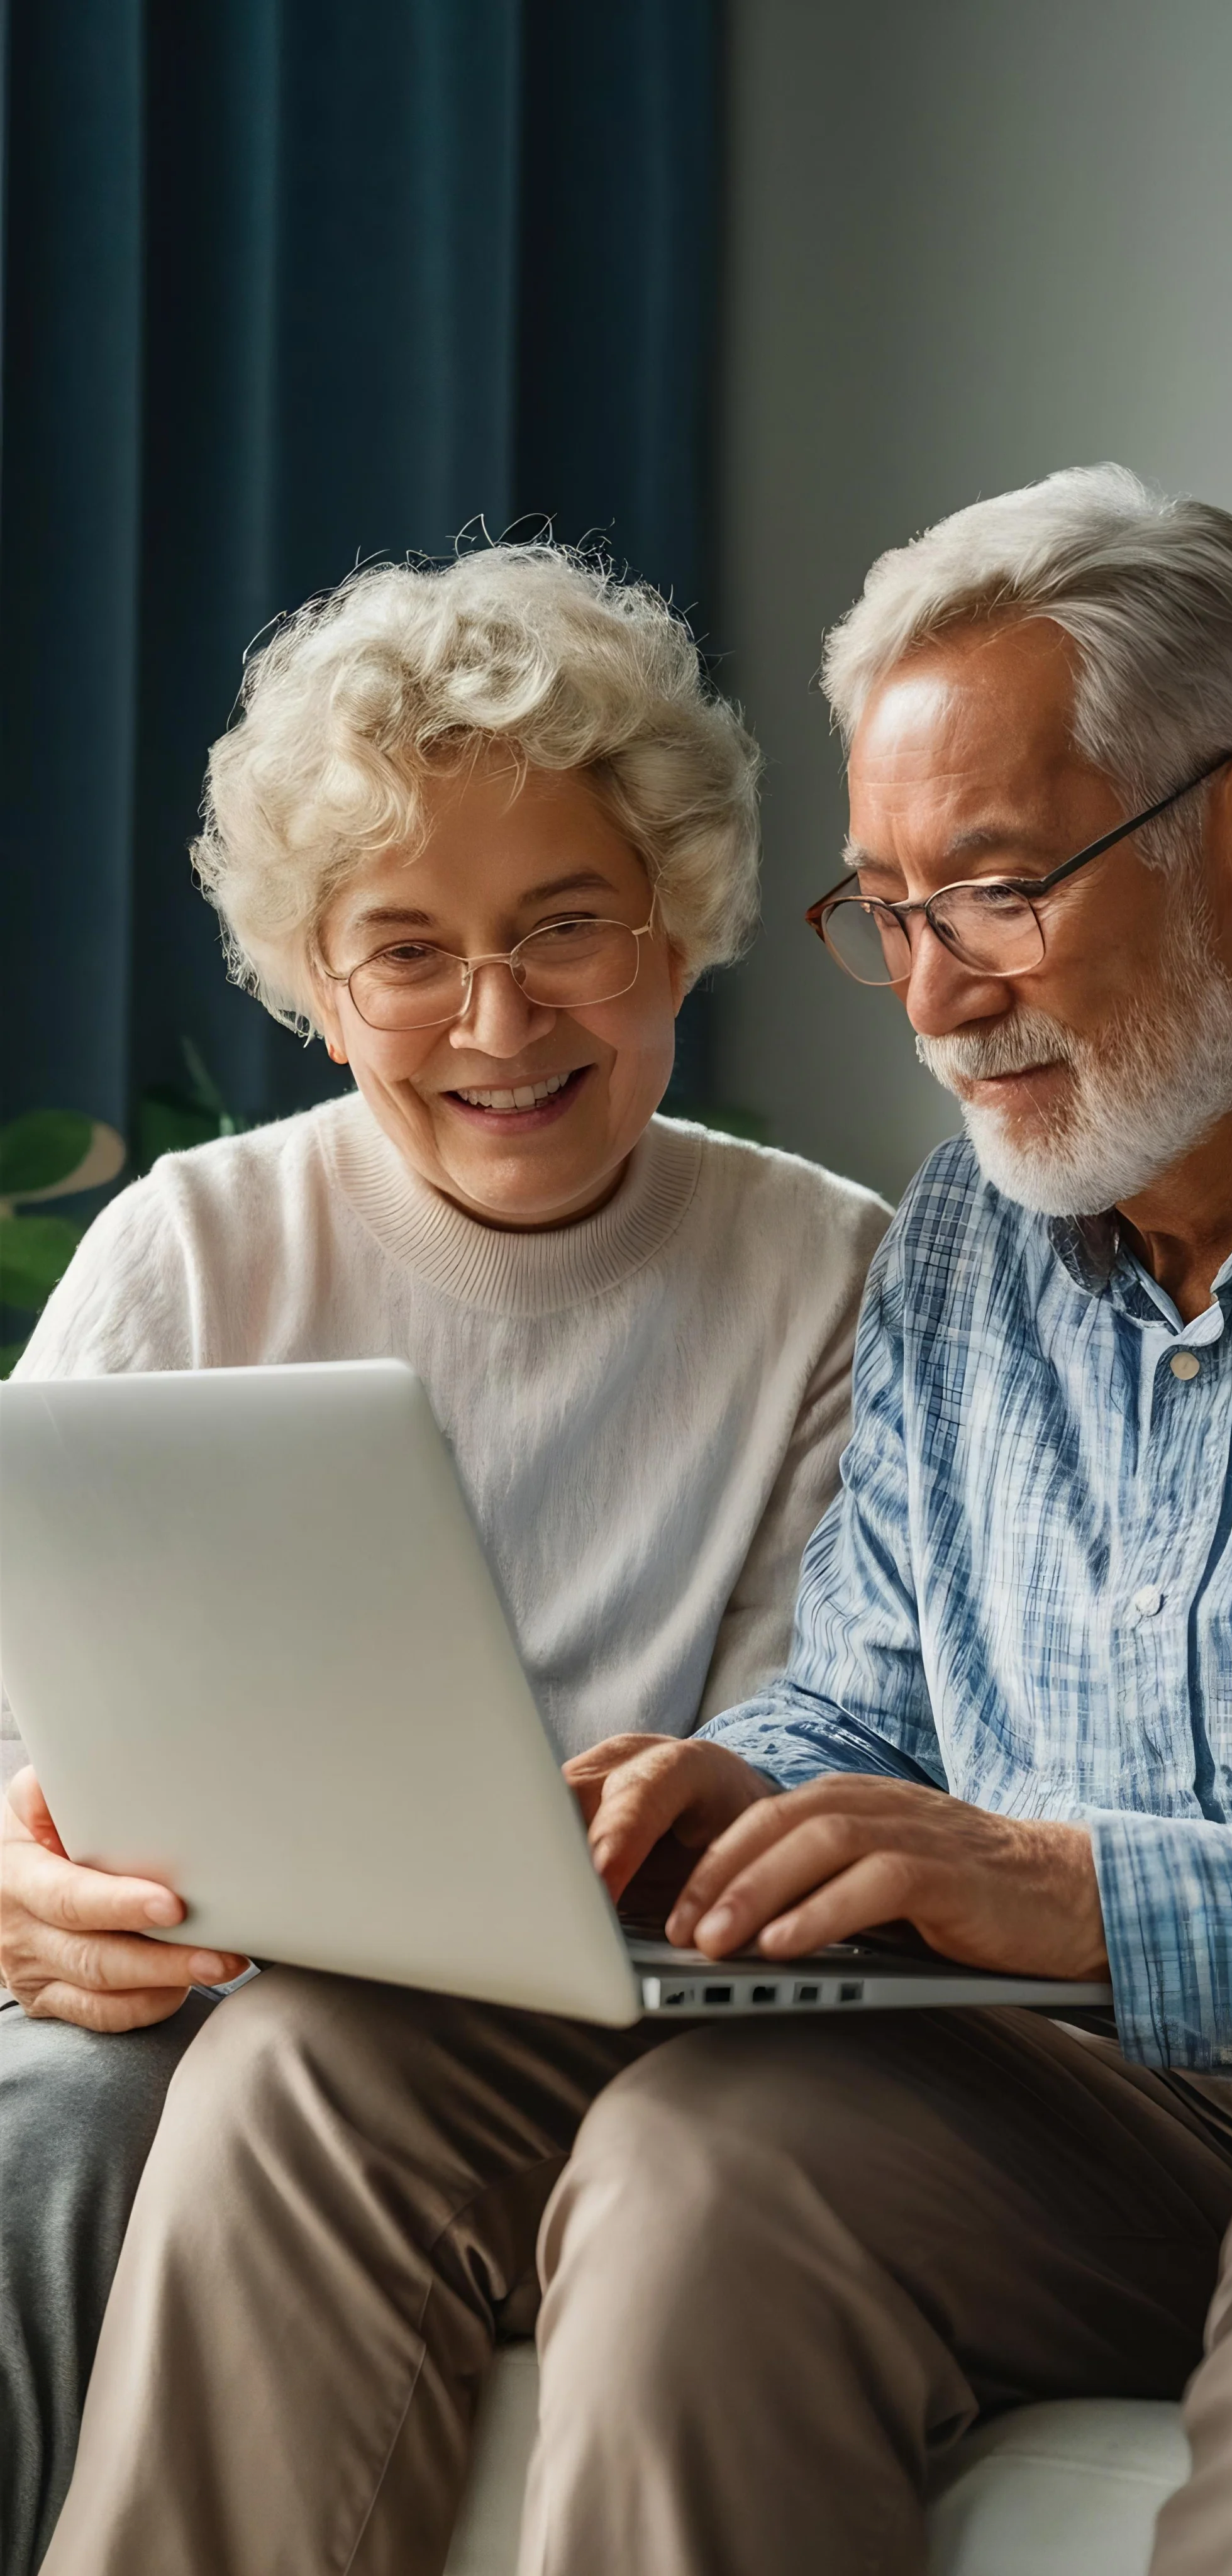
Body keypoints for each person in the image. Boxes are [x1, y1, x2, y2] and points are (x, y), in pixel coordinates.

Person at [26, 475, 1232, 2576]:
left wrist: (1084, 1895)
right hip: (1078, 2099)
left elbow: (1049, 1884)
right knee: (655, 2144)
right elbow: (861, 1698)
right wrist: (712, 1799)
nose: (937, 997)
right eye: (888, 913)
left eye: (994, 890)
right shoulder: (980, 1242)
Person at [0, 545, 890, 2576]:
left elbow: (806, 1739)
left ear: (680, 930)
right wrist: (23, 1891)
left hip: (599, 2031)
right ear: (320, 986)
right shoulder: (188, 1248)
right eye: (406, 951)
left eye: (567, 925)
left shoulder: (829, 1272)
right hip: (187, 1996)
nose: (499, 1020)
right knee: (48, 2135)